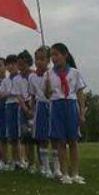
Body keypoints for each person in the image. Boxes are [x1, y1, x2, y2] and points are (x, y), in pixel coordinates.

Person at [44, 42, 87, 185]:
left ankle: (75, 173)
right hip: (57, 106)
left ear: (65, 55)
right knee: (60, 141)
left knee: (73, 140)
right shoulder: (49, 74)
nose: (54, 58)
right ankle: (65, 173)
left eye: (56, 55)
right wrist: (47, 88)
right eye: (52, 56)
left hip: (70, 105)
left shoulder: (74, 72)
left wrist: (82, 111)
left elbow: (80, 92)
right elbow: (47, 94)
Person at [29, 46, 58, 178]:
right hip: (40, 107)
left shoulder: (53, 74)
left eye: (42, 59)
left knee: (56, 138)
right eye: (37, 59)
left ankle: (57, 167)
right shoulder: (32, 77)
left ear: (48, 60)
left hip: (53, 105)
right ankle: (45, 167)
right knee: (42, 138)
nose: (39, 62)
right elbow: (33, 96)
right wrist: (32, 111)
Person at [0, 55, 23, 171]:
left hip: (19, 105)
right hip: (9, 106)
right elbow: (0, 95)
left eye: (14, 64)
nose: (11, 67)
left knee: (21, 134)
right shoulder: (5, 81)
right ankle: (15, 160)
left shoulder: (21, 78)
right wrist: (10, 93)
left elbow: (22, 93)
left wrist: (10, 93)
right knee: (12, 135)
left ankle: (21, 159)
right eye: (9, 64)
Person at [15, 51, 36, 172]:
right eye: (19, 65)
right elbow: (18, 95)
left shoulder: (34, 75)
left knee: (38, 137)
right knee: (27, 138)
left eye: (23, 64)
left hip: (35, 105)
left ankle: (42, 163)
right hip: (23, 107)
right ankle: (30, 162)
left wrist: (32, 108)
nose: (20, 67)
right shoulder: (17, 78)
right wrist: (25, 109)